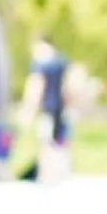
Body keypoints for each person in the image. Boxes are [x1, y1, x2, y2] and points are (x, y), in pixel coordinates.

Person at [19, 36, 72, 182]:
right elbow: (66, 88)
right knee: (58, 141)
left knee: (45, 141)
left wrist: (28, 108)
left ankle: (46, 173)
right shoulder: (62, 62)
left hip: (47, 108)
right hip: (59, 108)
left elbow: (36, 86)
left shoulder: (41, 65)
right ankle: (57, 173)